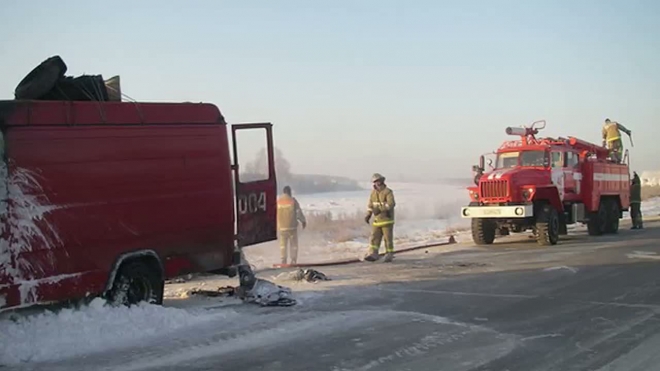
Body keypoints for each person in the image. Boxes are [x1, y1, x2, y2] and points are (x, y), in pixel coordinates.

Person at [363, 173, 396, 263]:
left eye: (378, 181)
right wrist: (368, 214)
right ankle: (373, 254)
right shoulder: (373, 193)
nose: (377, 183)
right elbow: (370, 205)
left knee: (387, 239)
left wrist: (380, 209)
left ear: (382, 181)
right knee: (374, 237)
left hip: (387, 220)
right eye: (375, 182)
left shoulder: (388, 192)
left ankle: (389, 254)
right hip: (377, 220)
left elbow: (391, 204)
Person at [277, 186, 306, 264]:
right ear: (289, 192)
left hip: (282, 227)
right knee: (294, 244)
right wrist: (303, 221)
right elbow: (298, 212)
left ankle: (283, 259)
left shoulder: (278, 201)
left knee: (283, 244)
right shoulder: (292, 201)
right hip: (292, 227)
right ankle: (293, 259)